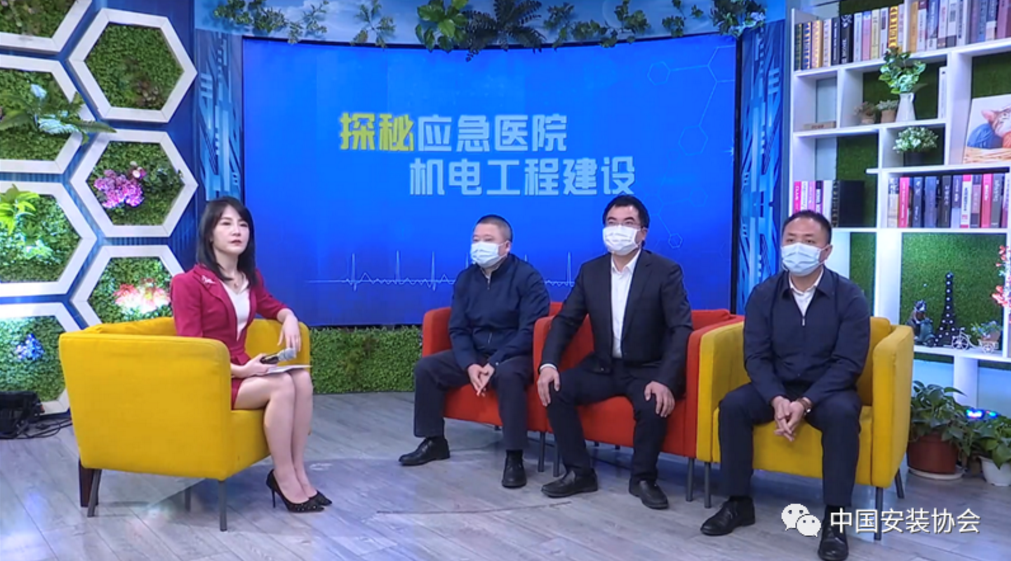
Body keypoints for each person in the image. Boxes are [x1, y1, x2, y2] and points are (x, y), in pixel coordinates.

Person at [700, 210, 870, 561]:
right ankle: (738, 502)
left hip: (828, 390)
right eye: (791, 240)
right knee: (733, 406)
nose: (797, 248)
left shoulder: (849, 296)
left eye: (808, 241)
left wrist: (806, 402)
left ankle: (835, 519)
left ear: (826, 251)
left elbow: (849, 363)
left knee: (842, 415)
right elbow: (756, 356)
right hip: (777, 386)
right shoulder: (764, 294)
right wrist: (776, 397)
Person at [537, 195, 694, 510]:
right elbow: (566, 320)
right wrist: (548, 364)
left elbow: (681, 329)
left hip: (649, 368)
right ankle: (579, 472)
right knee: (556, 389)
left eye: (628, 223)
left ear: (643, 233)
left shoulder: (664, 271)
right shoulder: (591, 271)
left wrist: (665, 379)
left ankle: (643, 479)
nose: (618, 229)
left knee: (653, 404)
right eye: (612, 223)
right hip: (604, 366)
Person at [170, 197, 326, 513]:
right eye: (226, 224)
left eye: (242, 224)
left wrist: (289, 316)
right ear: (209, 234)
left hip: (243, 370)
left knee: (301, 379)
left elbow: (271, 305)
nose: (236, 231)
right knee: (281, 385)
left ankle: (298, 471)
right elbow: (193, 350)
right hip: (212, 379)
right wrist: (241, 371)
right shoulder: (187, 283)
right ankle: (282, 476)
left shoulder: (249, 279)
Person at [398, 215, 551, 488]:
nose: (480, 245)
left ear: (506, 246)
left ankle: (514, 456)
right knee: (427, 368)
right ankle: (434, 441)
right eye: (476, 240)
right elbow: (458, 328)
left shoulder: (528, 278)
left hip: (515, 355)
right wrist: (470, 364)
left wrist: (496, 362)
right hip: (478, 353)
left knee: (508, 375)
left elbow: (530, 330)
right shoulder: (466, 279)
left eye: (488, 240)